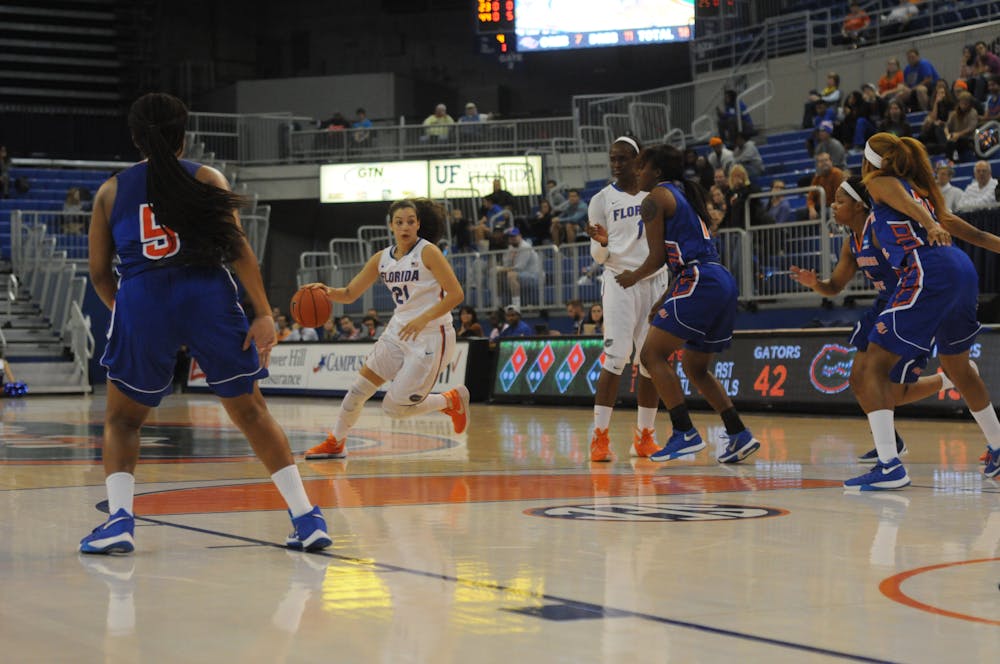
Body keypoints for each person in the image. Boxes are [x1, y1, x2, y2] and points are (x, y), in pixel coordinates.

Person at [81, 92, 331, 554]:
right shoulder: (207, 177)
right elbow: (238, 250)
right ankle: (305, 516)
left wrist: (132, 313)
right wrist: (261, 313)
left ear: (135, 137)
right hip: (207, 295)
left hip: (142, 295)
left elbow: (98, 273)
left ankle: (119, 521)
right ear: (184, 135)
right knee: (251, 411)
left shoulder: (111, 191)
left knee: (122, 420)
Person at [790, 177, 985, 459]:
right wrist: (814, 284)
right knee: (858, 378)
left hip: (910, 301)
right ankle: (890, 443)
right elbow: (834, 287)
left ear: (859, 206)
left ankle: (947, 381)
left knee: (891, 392)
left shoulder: (880, 229)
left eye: (840, 201)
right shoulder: (850, 244)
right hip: (884, 303)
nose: (832, 206)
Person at [846, 133, 1000, 488]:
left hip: (928, 270)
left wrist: (929, 225)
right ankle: (997, 446)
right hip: (960, 269)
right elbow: (966, 230)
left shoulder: (881, 182)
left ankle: (889, 465)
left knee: (872, 364)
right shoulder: (921, 190)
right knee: (958, 369)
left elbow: (918, 211)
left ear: (869, 161)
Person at [615, 144, 761, 464]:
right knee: (696, 368)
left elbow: (656, 259)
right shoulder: (682, 194)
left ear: (656, 171)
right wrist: (666, 298)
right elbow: (680, 258)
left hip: (698, 280)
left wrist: (633, 276)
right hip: (716, 279)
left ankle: (684, 432)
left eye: (641, 166)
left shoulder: (655, 198)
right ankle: (738, 432)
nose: (637, 172)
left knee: (651, 354)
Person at [302, 198, 470, 460]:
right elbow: (349, 293)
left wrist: (422, 318)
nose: (405, 227)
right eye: (399, 222)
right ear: (391, 225)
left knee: (394, 409)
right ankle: (336, 442)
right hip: (397, 331)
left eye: (411, 221)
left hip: (431, 337)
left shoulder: (428, 252)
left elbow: (456, 294)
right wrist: (327, 292)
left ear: (418, 224)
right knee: (358, 391)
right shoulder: (382, 259)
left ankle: (450, 400)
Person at [584, 136, 670, 462]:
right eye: (613, 159)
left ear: (638, 160)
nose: (617, 164)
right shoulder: (601, 200)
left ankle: (644, 436)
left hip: (655, 283)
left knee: (649, 361)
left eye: (623, 158)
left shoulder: (657, 194)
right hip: (620, 282)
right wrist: (604, 243)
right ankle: (600, 437)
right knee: (616, 358)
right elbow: (597, 255)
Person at [494, 227, 540, 308]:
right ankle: (498, 305)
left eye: (514, 236)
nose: (512, 239)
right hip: (520, 275)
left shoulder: (525, 247)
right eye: (510, 237)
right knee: (498, 275)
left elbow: (519, 268)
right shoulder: (510, 248)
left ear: (520, 236)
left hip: (533, 276)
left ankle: (516, 306)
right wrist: (500, 269)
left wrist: (501, 269)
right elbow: (506, 265)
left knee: (511, 275)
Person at [805, 152, 845, 220]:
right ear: (817, 165)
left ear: (831, 162)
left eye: (826, 160)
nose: (824, 163)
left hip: (834, 205)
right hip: (822, 206)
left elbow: (839, 196)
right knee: (802, 213)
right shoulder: (817, 178)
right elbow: (810, 198)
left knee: (825, 212)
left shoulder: (837, 174)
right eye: (821, 161)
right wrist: (811, 209)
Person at [943, 92, 979, 161]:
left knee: (954, 142)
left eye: (965, 104)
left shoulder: (973, 112)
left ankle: (952, 160)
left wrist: (958, 134)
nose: (963, 106)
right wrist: (948, 134)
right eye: (961, 103)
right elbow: (946, 126)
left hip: (968, 139)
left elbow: (971, 128)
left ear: (969, 104)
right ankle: (949, 160)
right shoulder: (954, 113)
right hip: (954, 138)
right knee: (948, 142)